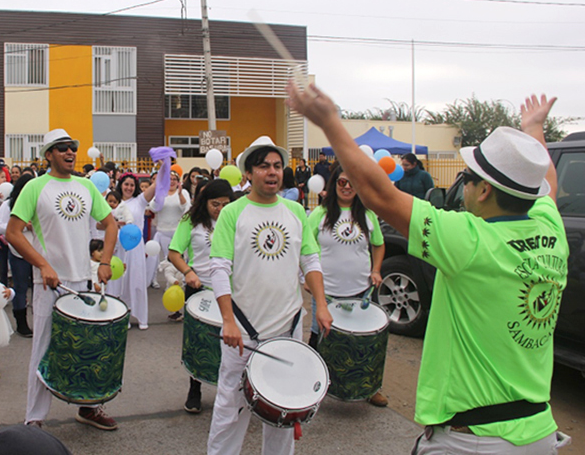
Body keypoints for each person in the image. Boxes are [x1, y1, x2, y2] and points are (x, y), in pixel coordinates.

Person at [289, 84, 569, 453]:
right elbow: (545, 183)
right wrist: (534, 131)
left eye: (466, 179)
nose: (463, 187)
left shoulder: (469, 240)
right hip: (538, 432)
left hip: (476, 440)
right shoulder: (551, 229)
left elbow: (379, 195)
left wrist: (330, 122)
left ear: (483, 191)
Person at [206, 136, 332, 455]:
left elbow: (310, 260)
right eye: (264, 166)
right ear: (248, 173)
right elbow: (218, 268)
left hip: (287, 331)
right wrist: (227, 321)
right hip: (242, 335)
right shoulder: (233, 213)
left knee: (284, 415)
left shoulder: (295, 211)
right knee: (229, 413)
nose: (272, 172)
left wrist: (322, 306)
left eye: (277, 166)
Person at [6, 128, 119, 431]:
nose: (70, 152)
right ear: (48, 155)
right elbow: (13, 233)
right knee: (44, 350)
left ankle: (89, 407)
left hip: (82, 282)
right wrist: (43, 265)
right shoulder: (35, 187)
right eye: (62, 148)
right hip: (50, 284)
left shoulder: (85, 186)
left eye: (72, 147)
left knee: (86, 347)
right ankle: (34, 418)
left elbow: (110, 224)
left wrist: (105, 262)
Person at [305, 165, 387, 407]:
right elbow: (305, 250)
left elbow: (379, 244)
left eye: (352, 182)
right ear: (334, 184)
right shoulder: (318, 215)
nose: (347, 187)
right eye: (342, 182)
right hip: (326, 293)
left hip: (360, 291)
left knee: (365, 342)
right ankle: (311, 387)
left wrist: (376, 269)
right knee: (319, 339)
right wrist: (307, 279)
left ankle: (371, 388)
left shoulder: (368, 215)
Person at [168, 179, 234, 414]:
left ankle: (230, 393)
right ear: (204, 202)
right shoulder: (191, 221)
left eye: (225, 204)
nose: (219, 209)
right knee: (198, 342)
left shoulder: (235, 220)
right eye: (215, 204)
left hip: (229, 290)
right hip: (199, 288)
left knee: (231, 343)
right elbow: (174, 253)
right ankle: (194, 388)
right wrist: (188, 272)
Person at [113, 172, 157, 329]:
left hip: (136, 246)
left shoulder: (139, 201)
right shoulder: (114, 202)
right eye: (126, 184)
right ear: (121, 185)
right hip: (119, 245)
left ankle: (140, 316)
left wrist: (165, 166)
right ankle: (121, 314)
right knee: (120, 281)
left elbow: (154, 186)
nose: (129, 188)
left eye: (132, 185)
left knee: (136, 279)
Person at [0, 174, 35, 337]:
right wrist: (22, 225)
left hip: (38, 251)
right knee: (20, 288)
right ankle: (21, 323)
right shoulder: (8, 205)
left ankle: (40, 322)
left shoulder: (38, 202)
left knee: (40, 289)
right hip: (18, 252)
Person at [148, 170, 190, 292]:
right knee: (165, 260)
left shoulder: (184, 192)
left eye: (174, 179)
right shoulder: (161, 193)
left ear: (178, 182)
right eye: (169, 179)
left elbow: (185, 208)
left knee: (178, 259)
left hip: (178, 231)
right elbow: (153, 208)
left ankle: (178, 283)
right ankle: (156, 280)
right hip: (163, 231)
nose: (171, 182)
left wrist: (180, 194)